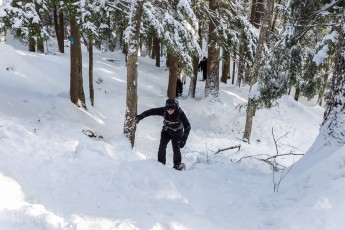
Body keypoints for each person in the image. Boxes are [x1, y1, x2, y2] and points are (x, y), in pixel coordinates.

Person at [136, 99, 191, 170]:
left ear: (175, 108)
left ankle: (177, 165)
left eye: (172, 110)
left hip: (177, 132)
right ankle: (161, 164)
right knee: (162, 146)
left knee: (176, 148)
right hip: (166, 131)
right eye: (168, 110)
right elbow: (151, 112)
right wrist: (140, 116)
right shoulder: (164, 110)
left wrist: (184, 138)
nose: (170, 111)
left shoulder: (180, 113)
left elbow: (187, 126)